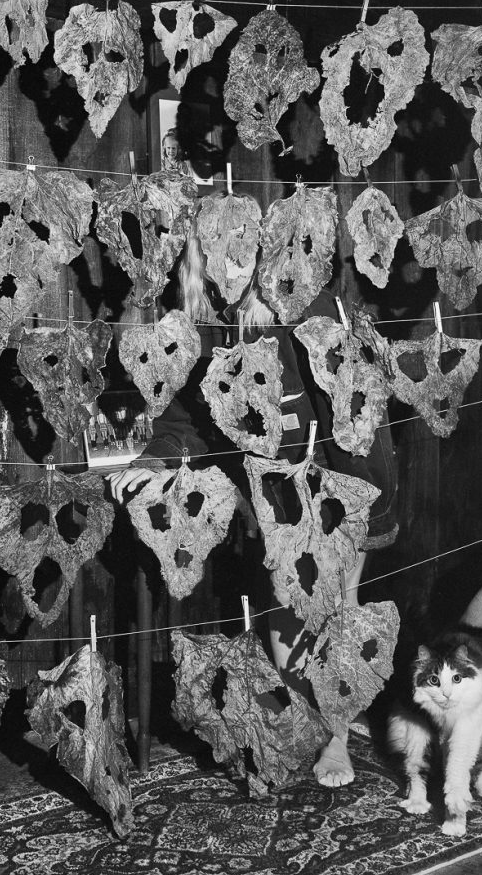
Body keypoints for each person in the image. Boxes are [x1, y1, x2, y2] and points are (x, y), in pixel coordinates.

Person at [109, 225, 399, 788]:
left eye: (244, 253)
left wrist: (359, 517)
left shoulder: (306, 311)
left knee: (337, 604)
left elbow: (359, 418)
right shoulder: (207, 323)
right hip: (279, 493)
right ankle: (308, 726)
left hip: (342, 483)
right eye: (216, 256)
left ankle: (337, 735)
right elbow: (185, 419)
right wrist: (153, 462)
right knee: (286, 605)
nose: (232, 265)